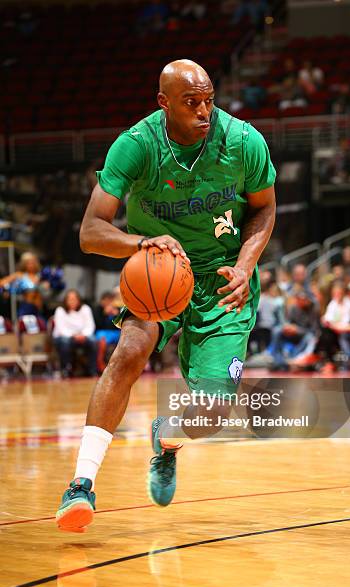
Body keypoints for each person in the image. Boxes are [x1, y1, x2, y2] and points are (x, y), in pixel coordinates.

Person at [55, 60, 277, 532]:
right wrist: (143, 243)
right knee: (130, 351)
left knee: (212, 413)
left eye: (209, 100)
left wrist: (244, 265)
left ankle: (167, 437)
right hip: (159, 273)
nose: (204, 111)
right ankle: (81, 483)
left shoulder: (243, 141)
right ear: (164, 103)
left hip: (223, 283)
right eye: (191, 102)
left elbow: (264, 211)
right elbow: (91, 232)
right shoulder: (136, 146)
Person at [53, 290, 98, 378]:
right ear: (65, 300)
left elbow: (90, 325)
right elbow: (61, 328)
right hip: (64, 337)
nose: (72, 301)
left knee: (93, 340)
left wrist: (83, 335)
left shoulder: (85, 309)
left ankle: (92, 370)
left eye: (74, 299)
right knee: (65, 342)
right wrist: (73, 335)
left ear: (78, 300)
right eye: (70, 299)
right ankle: (66, 369)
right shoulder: (60, 310)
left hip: (82, 336)